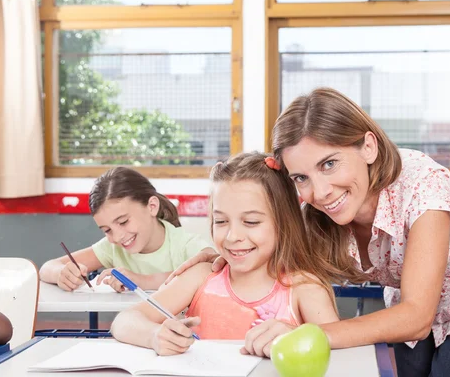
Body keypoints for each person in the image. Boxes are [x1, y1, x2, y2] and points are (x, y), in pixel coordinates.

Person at [166, 88, 450, 376]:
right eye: (301, 177)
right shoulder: (312, 211)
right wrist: (227, 250)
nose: (319, 192)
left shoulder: (424, 188)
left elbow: (416, 318)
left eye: (329, 164)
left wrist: (310, 332)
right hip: (406, 301)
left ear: (368, 146)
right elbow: (274, 240)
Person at [110, 152, 339, 355]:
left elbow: (341, 353)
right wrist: (154, 335)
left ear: (284, 223)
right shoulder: (201, 276)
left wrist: (298, 339)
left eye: (251, 221)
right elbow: (124, 321)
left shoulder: (305, 288)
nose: (232, 236)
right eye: (220, 221)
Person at [39, 167, 212, 292]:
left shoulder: (184, 244)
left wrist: (143, 281)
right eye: (107, 230)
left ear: (151, 206)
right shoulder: (112, 247)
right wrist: (60, 273)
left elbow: (215, 269)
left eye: (123, 222)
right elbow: (46, 268)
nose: (117, 236)